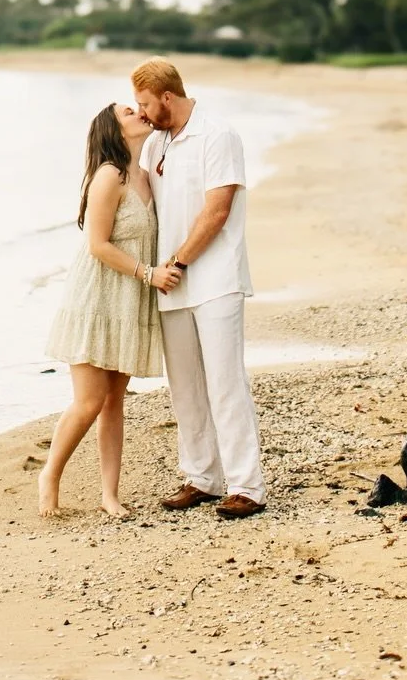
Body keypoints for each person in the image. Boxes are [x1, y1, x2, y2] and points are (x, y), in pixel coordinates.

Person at [132, 56, 266, 519]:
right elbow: (145, 204)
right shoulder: (154, 144)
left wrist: (179, 261)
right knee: (184, 385)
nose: (143, 112)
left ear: (168, 96)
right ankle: (202, 478)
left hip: (215, 277)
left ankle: (247, 485)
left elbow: (217, 210)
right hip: (171, 282)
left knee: (226, 382)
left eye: (146, 103)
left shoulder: (218, 133)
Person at [40, 102, 176, 517]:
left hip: (128, 299)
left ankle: (109, 496)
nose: (140, 113)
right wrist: (148, 274)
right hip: (97, 297)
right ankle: (49, 477)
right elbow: (98, 245)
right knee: (89, 400)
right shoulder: (109, 176)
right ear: (114, 130)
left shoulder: (147, 174)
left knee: (115, 401)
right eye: (129, 112)